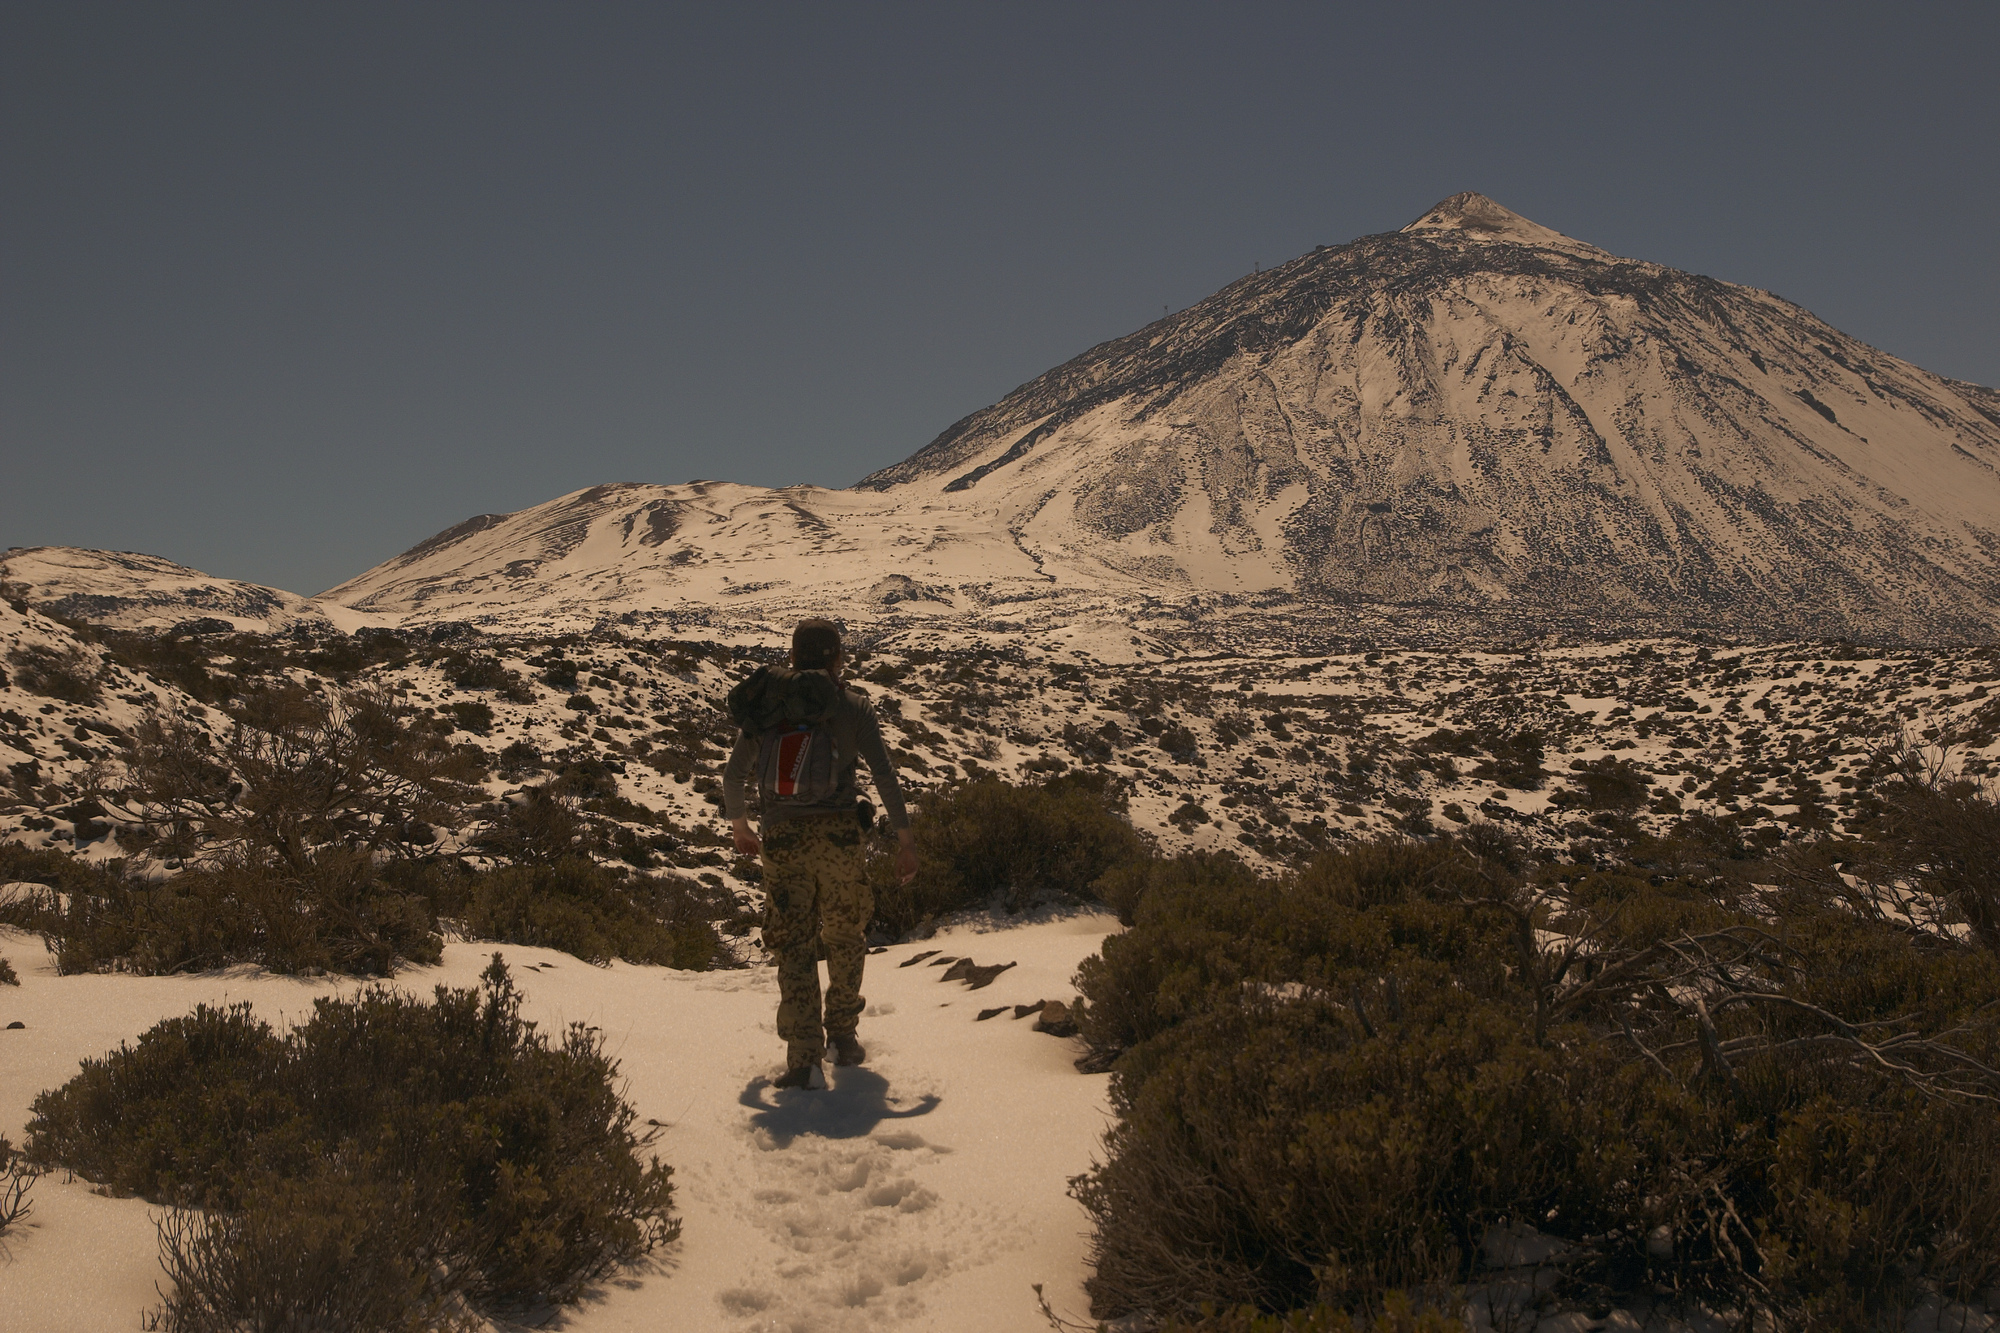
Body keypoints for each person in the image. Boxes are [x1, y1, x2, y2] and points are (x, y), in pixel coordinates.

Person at [724, 618, 918, 1089]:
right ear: (837, 658)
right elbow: (886, 777)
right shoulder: (853, 707)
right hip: (839, 841)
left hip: (783, 839)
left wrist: (740, 825)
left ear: (792, 656)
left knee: (793, 944)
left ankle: (803, 1059)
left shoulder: (769, 705)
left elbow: (733, 776)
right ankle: (844, 1036)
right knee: (845, 935)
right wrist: (906, 841)